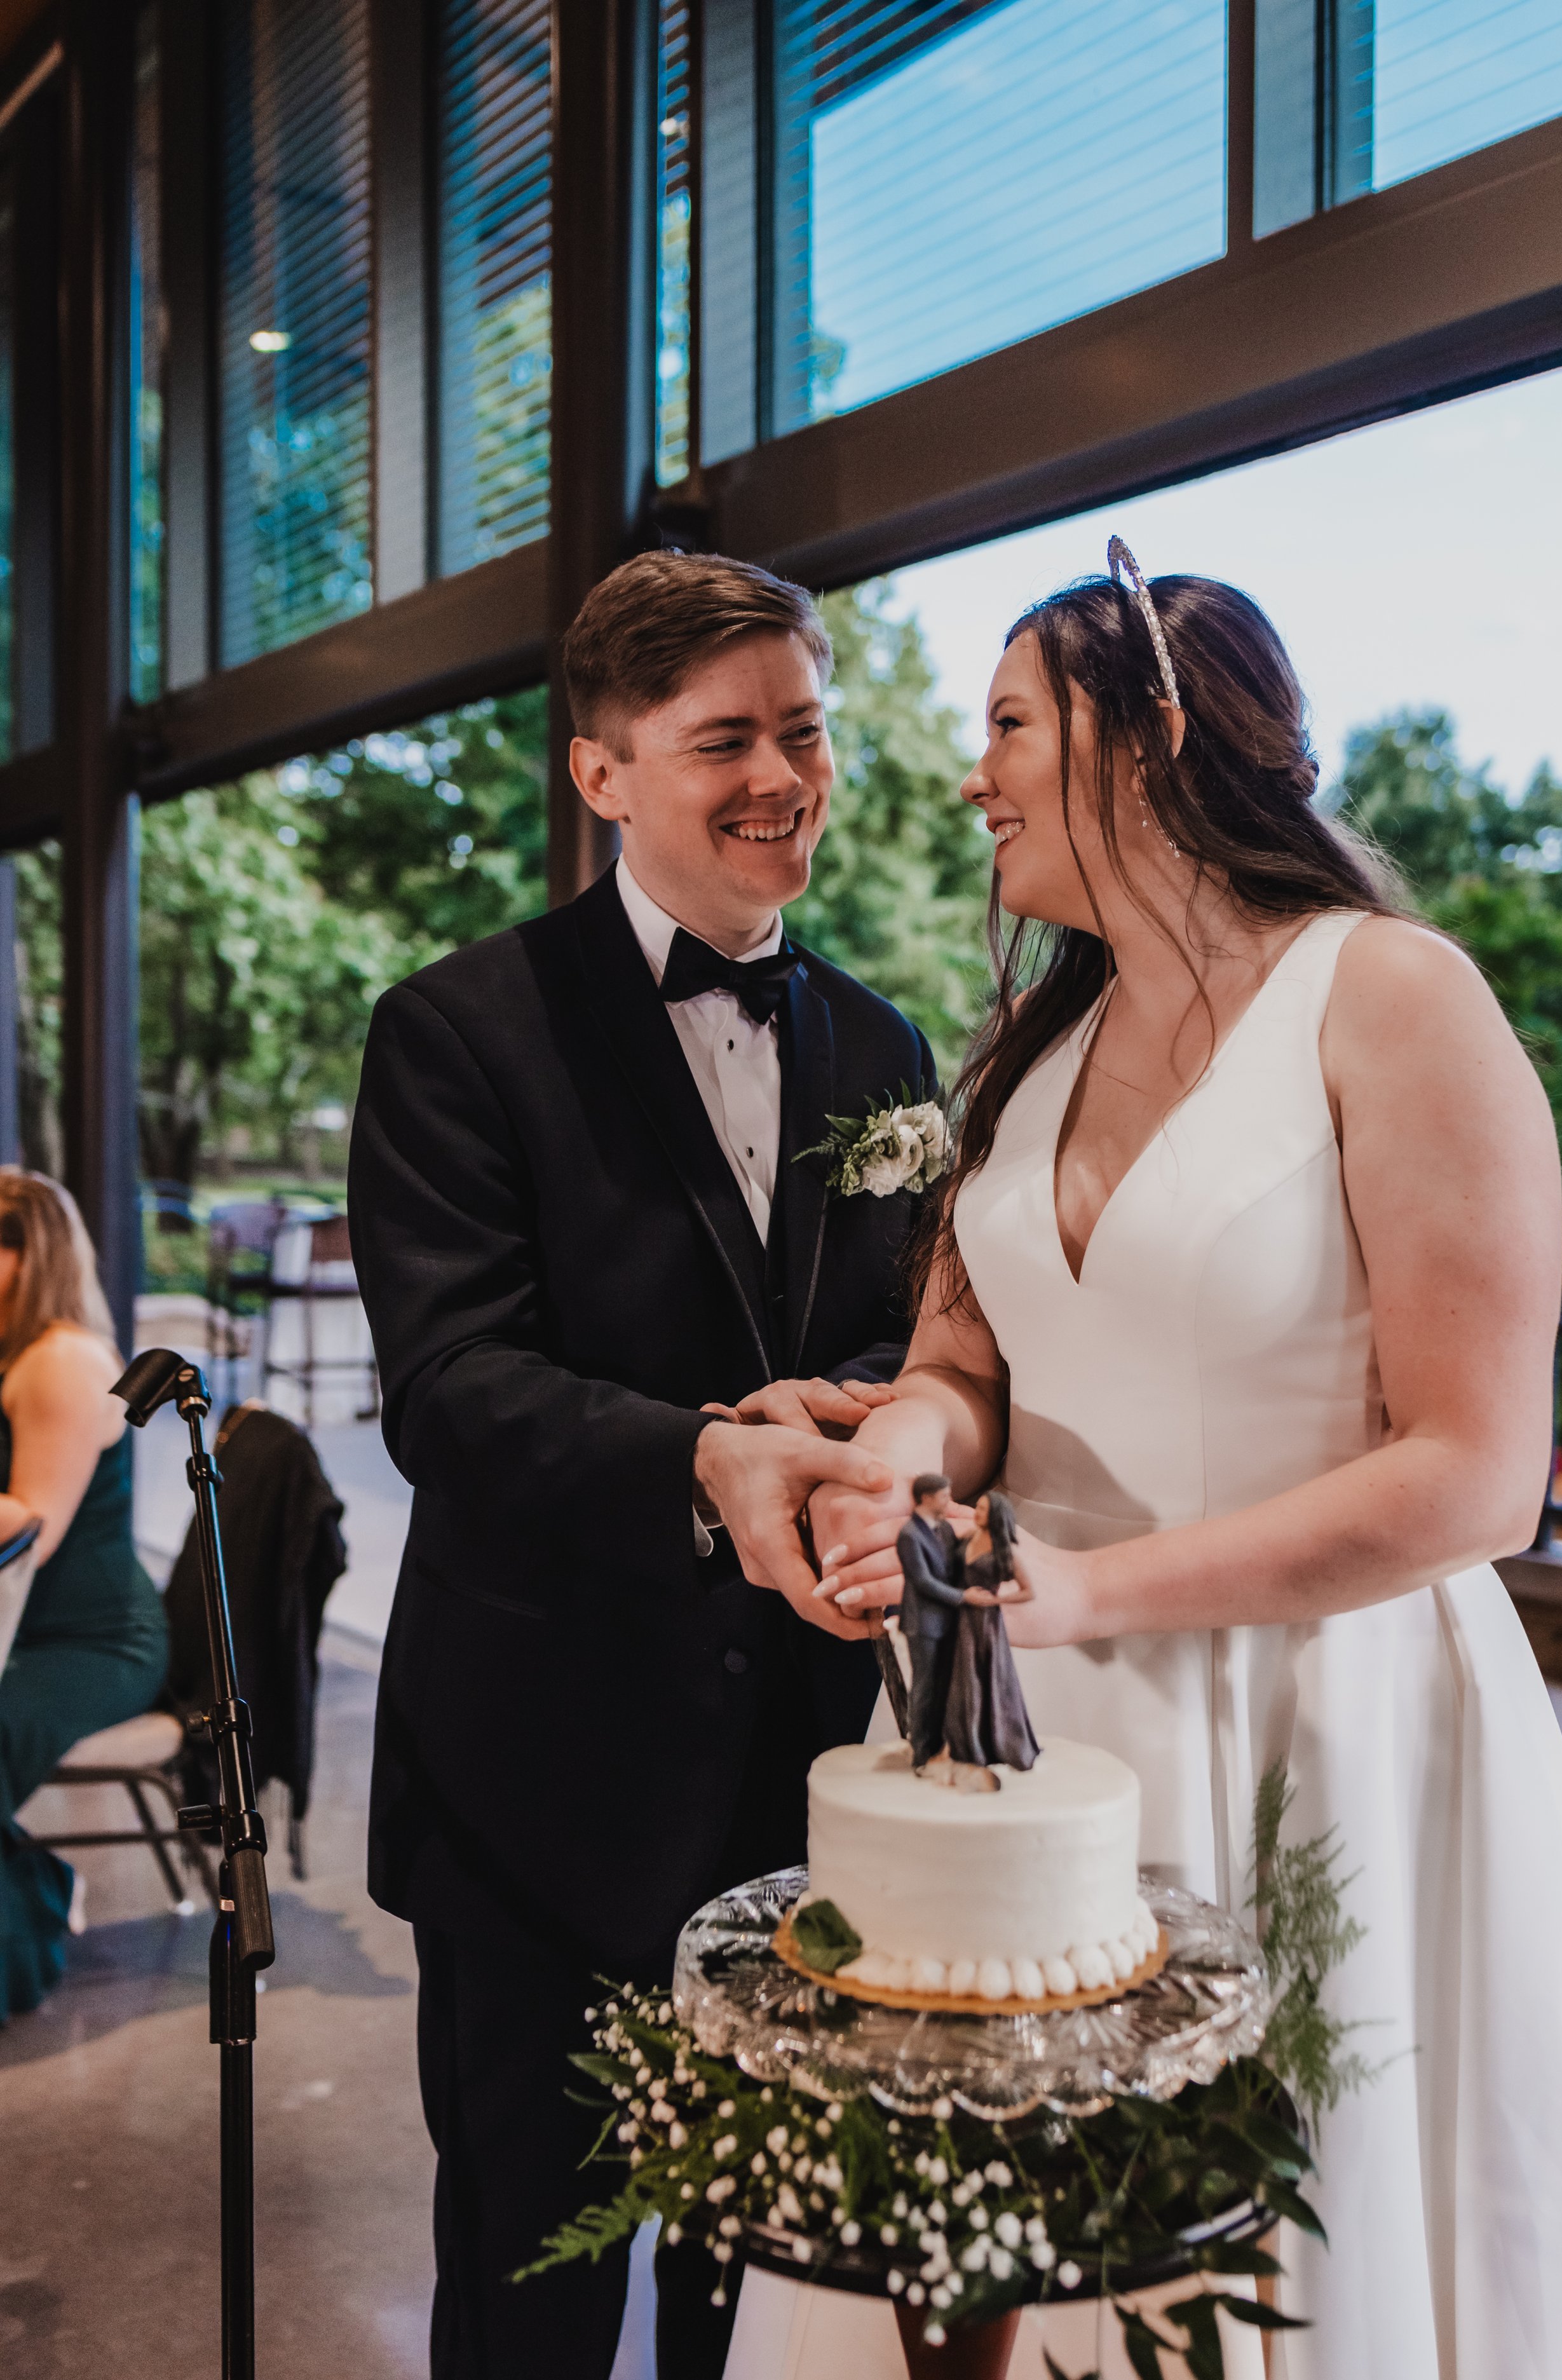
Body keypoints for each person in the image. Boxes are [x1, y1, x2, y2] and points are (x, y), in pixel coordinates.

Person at [787, 543, 1562, 2380]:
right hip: (1027, 1727)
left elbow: (1475, 1470)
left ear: (1142, 737)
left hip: (1323, 1719)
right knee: (979, 2260)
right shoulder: (1032, 1038)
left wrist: (1085, 1592)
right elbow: (961, 1361)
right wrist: (902, 1455)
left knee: (1260, 2265)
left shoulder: (1391, 997)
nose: (967, 774)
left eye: (1004, 725)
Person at [347, 548, 938, 2380]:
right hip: (541, 1779)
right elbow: (448, 1390)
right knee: (529, 2281)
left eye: (805, 731)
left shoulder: (881, 1044)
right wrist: (704, 1454)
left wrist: (844, 1416)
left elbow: (902, 1341)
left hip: (808, 1784)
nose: (783, 777)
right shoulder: (455, 1032)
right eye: (723, 741)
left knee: (756, 2287)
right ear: (603, 772)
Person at [0, 1169, 166, 2025]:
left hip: (93, 1642)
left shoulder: (61, 1359)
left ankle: (24, 1921)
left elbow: (32, 1525)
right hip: (28, 1628)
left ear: (33, 1258)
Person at [942, 1490, 1038, 1774]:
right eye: (978, 1507)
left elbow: (1029, 1591)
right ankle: (960, 1745)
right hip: (960, 1619)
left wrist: (996, 1600)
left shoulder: (1004, 1551)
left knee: (984, 1679)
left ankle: (988, 1745)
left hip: (985, 1625)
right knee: (957, 1680)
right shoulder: (965, 1540)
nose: (978, 1513)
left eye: (983, 1509)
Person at [893, 1471, 965, 1771]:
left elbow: (955, 1565)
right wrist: (964, 1597)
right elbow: (922, 1580)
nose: (949, 1500)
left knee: (946, 1685)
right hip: (922, 1622)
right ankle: (921, 1750)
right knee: (925, 1686)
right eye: (944, 1496)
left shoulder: (946, 1529)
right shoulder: (909, 1535)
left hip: (948, 1620)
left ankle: (942, 1744)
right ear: (925, 1498)